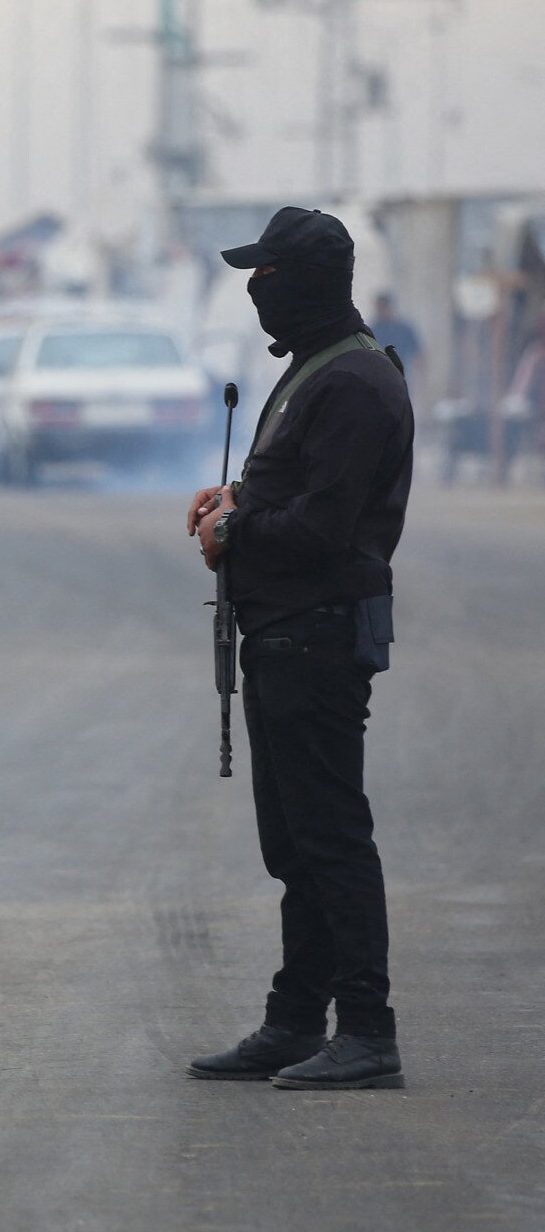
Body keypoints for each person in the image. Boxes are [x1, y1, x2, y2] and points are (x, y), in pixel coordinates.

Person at [186, 206, 414, 1090]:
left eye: (268, 275)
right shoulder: (316, 369)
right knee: (294, 845)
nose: (255, 290)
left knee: (331, 839)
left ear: (307, 282)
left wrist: (235, 531)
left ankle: (367, 1030)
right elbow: (294, 484)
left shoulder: (353, 381)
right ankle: (294, 1020)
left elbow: (323, 526)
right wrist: (234, 498)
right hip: (282, 633)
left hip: (316, 635)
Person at [367, 293, 423, 379]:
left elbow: (417, 354)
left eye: (384, 307)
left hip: (402, 374)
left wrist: (420, 377)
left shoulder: (404, 329)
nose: (382, 311)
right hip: (379, 376)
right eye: (379, 308)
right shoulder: (372, 330)